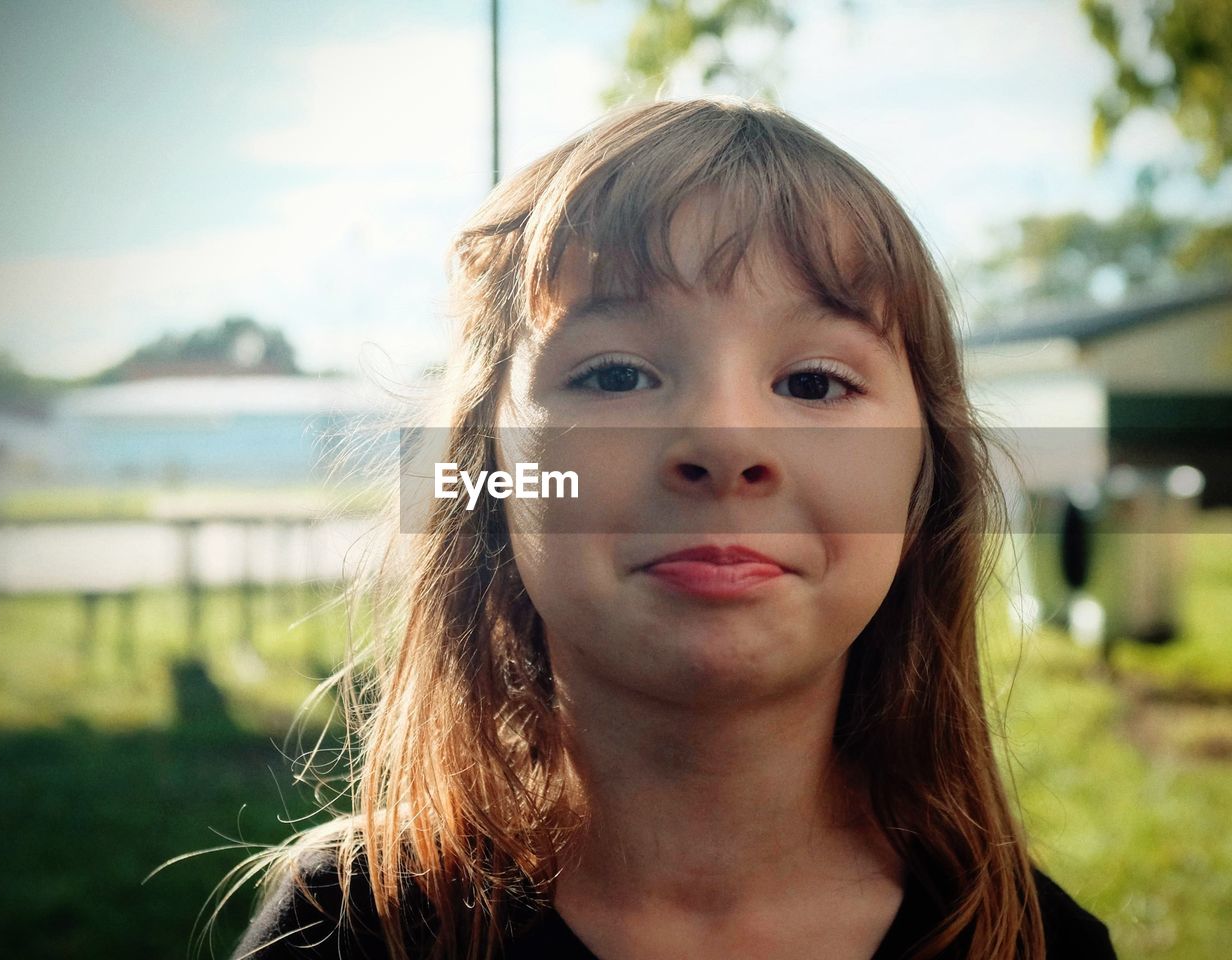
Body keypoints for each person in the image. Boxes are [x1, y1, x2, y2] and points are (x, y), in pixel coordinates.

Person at [229, 98, 1116, 959]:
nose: (727, 444)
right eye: (617, 376)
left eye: (813, 382)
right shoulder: (348, 932)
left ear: (924, 491)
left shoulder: (1035, 944)